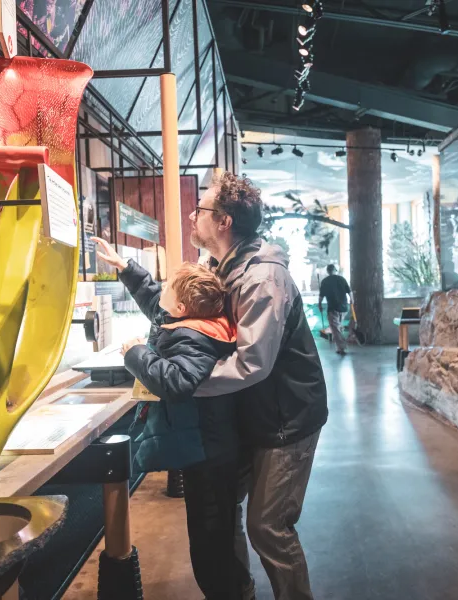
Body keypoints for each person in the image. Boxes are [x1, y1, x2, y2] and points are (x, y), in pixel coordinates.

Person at [191, 173, 328, 600]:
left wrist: (187, 383)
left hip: (287, 417)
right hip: (255, 414)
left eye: (201, 210)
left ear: (223, 222)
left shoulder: (262, 279)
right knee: (226, 503)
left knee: (268, 527)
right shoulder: (223, 268)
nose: (195, 216)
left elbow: (252, 363)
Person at [91, 237, 244, 600]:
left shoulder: (192, 337)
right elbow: (153, 299)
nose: (160, 293)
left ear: (180, 306)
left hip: (207, 454)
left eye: (168, 290)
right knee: (211, 538)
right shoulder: (190, 321)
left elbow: (177, 382)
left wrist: (136, 354)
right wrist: (125, 267)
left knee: (209, 544)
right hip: (204, 451)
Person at [318, 265, 352, 355]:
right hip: (344, 308)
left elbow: (321, 296)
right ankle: (339, 348)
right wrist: (352, 300)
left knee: (335, 329)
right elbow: (349, 291)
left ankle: (342, 347)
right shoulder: (342, 279)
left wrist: (319, 305)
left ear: (328, 271)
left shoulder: (325, 281)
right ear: (335, 270)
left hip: (333, 308)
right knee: (337, 327)